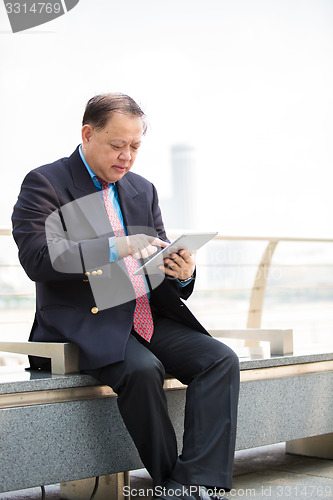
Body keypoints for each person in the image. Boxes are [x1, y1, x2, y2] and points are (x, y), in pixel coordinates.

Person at [12, 93, 240, 500]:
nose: (127, 156)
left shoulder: (142, 189)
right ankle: (178, 485)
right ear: (87, 134)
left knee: (219, 359)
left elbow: (160, 253)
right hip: (85, 321)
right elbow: (39, 258)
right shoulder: (46, 182)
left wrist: (183, 273)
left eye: (135, 146)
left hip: (144, 314)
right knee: (141, 370)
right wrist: (115, 246)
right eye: (118, 145)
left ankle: (196, 481)